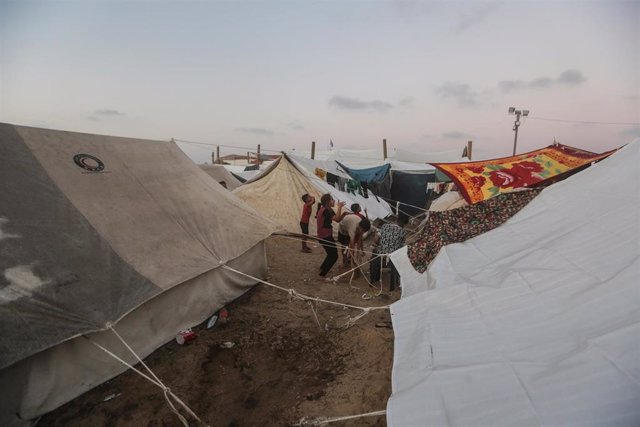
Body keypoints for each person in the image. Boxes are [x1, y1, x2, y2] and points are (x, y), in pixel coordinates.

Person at [370, 213, 409, 291]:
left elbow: (376, 239)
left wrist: (381, 244)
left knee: (374, 253)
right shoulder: (403, 232)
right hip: (393, 256)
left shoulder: (385, 226)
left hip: (381, 253)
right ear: (404, 224)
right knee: (400, 258)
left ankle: (373, 278)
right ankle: (394, 283)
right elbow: (401, 247)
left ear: (397, 219)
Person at [316, 193, 345, 277]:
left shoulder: (328, 210)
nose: (334, 201)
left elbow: (338, 219)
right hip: (325, 236)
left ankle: (322, 268)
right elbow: (336, 218)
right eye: (332, 199)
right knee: (334, 255)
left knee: (330, 253)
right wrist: (339, 207)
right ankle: (322, 274)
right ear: (328, 202)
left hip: (325, 235)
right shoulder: (326, 210)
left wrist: (343, 214)